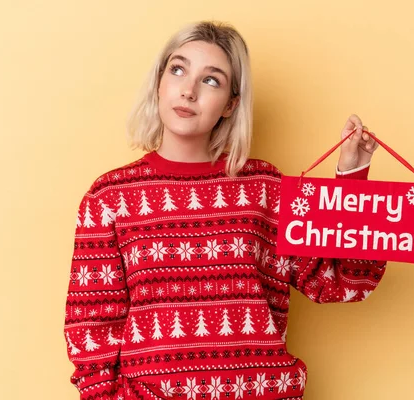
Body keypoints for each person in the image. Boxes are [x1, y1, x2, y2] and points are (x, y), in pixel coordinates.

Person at [64, 20, 386, 400]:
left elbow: (343, 282)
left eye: (211, 80)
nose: (188, 90)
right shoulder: (109, 198)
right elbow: (92, 326)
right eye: (178, 70)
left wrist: (352, 177)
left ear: (232, 103)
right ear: (159, 83)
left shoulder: (268, 189)